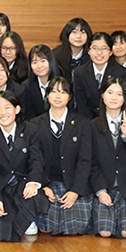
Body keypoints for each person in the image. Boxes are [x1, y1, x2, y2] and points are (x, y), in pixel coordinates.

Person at [0, 91, 47, 242]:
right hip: (1, 186)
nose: (3, 113)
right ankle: (22, 221)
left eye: (7, 107)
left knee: (35, 197)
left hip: (23, 183)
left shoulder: (31, 130)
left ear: (17, 109)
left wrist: (33, 183)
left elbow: (36, 160)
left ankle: (27, 220)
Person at [31, 77, 93, 235]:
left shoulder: (82, 124)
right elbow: (34, 160)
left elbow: (85, 161)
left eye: (63, 92)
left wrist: (75, 191)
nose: (58, 96)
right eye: (53, 91)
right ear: (47, 95)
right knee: (46, 228)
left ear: (70, 97)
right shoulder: (35, 124)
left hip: (73, 183)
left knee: (74, 228)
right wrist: (42, 185)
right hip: (47, 183)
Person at [89, 77, 126, 239]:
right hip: (104, 187)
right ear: (103, 96)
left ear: (125, 98)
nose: (114, 98)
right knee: (104, 232)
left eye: (119, 94)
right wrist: (100, 191)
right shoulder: (92, 126)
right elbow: (91, 162)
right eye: (110, 92)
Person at [73, 32, 126, 119]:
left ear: (110, 52)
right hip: (86, 120)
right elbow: (81, 104)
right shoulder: (80, 73)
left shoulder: (121, 73)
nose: (99, 53)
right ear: (89, 51)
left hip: (111, 119)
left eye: (104, 48)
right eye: (95, 48)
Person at [20, 45, 62, 120]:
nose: (39, 66)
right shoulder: (26, 86)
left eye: (43, 61)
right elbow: (27, 116)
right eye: (34, 62)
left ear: (50, 62)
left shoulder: (62, 83)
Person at [53, 18, 92, 82]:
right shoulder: (55, 56)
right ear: (67, 34)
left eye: (83, 32)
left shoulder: (92, 56)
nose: (78, 36)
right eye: (74, 32)